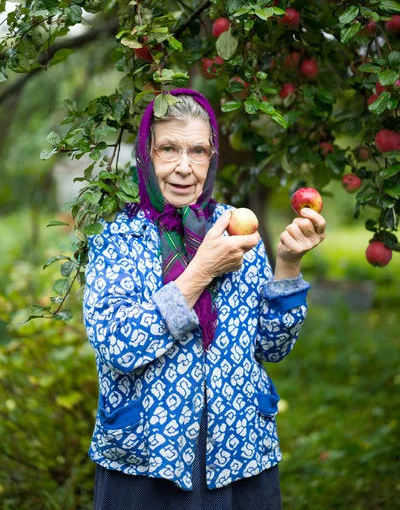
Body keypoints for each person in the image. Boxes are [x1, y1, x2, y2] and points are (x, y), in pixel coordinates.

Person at [83, 88, 326, 510]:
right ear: (147, 154)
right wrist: (200, 272)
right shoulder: (117, 240)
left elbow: (272, 346)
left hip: (238, 457)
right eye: (168, 149)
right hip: (145, 462)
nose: (183, 167)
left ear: (212, 158)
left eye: (197, 151)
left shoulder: (237, 230)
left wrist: (287, 264)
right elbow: (118, 345)